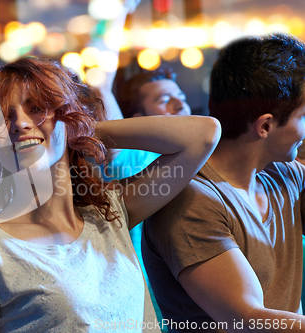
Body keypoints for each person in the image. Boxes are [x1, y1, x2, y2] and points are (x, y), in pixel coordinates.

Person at [0, 57, 220, 332]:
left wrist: (77, 128)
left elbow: (203, 134)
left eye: (36, 108)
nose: (19, 123)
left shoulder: (110, 214)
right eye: (3, 118)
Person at [142, 33, 305, 333]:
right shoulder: (190, 201)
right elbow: (247, 319)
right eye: (303, 117)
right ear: (266, 125)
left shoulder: (284, 174)